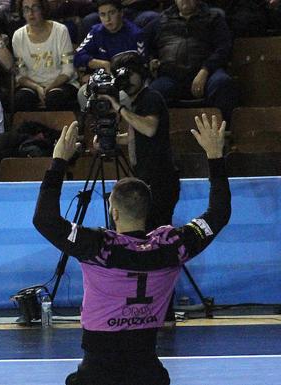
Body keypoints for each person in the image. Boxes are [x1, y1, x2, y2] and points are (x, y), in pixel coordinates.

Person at [33, 113, 231, 385]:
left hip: (97, 371)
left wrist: (58, 163)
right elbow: (219, 213)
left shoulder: (97, 246)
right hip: (147, 369)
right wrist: (215, 157)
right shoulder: (173, 246)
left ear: (113, 211)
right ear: (147, 211)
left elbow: (44, 219)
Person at [97, 51, 180, 231]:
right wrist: (112, 139)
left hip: (160, 181)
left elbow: (149, 129)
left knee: (157, 233)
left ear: (141, 73)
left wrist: (119, 109)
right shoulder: (136, 103)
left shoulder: (151, 97)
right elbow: (136, 136)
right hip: (145, 178)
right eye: (121, 74)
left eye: (130, 73)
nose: (126, 79)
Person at [145, 0, 239, 123]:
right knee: (153, 92)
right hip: (170, 76)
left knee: (223, 83)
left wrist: (205, 70)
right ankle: (162, 137)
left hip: (207, 74)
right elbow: (143, 43)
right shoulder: (161, 20)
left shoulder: (213, 17)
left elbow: (224, 48)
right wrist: (151, 60)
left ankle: (225, 133)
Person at [74, 0, 145, 108]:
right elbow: (78, 56)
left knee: (122, 97)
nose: (107, 19)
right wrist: (103, 64)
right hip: (102, 81)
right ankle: (93, 123)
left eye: (111, 13)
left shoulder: (136, 34)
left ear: (121, 13)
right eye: (103, 15)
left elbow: (142, 67)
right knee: (82, 93)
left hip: (127, 82)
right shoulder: (95, 32)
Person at [12, 0, 78, 111]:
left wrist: (49, 88)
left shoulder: (60, 30)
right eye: (26, 9)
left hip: (61, 83)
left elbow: (68, 71)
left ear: (43, 9)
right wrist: (37, 87)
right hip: (32, 86)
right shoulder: (18, 36)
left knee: (55, 98)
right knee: (22, 98)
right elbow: (20, 75)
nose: (31, 13)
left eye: (35, 8)